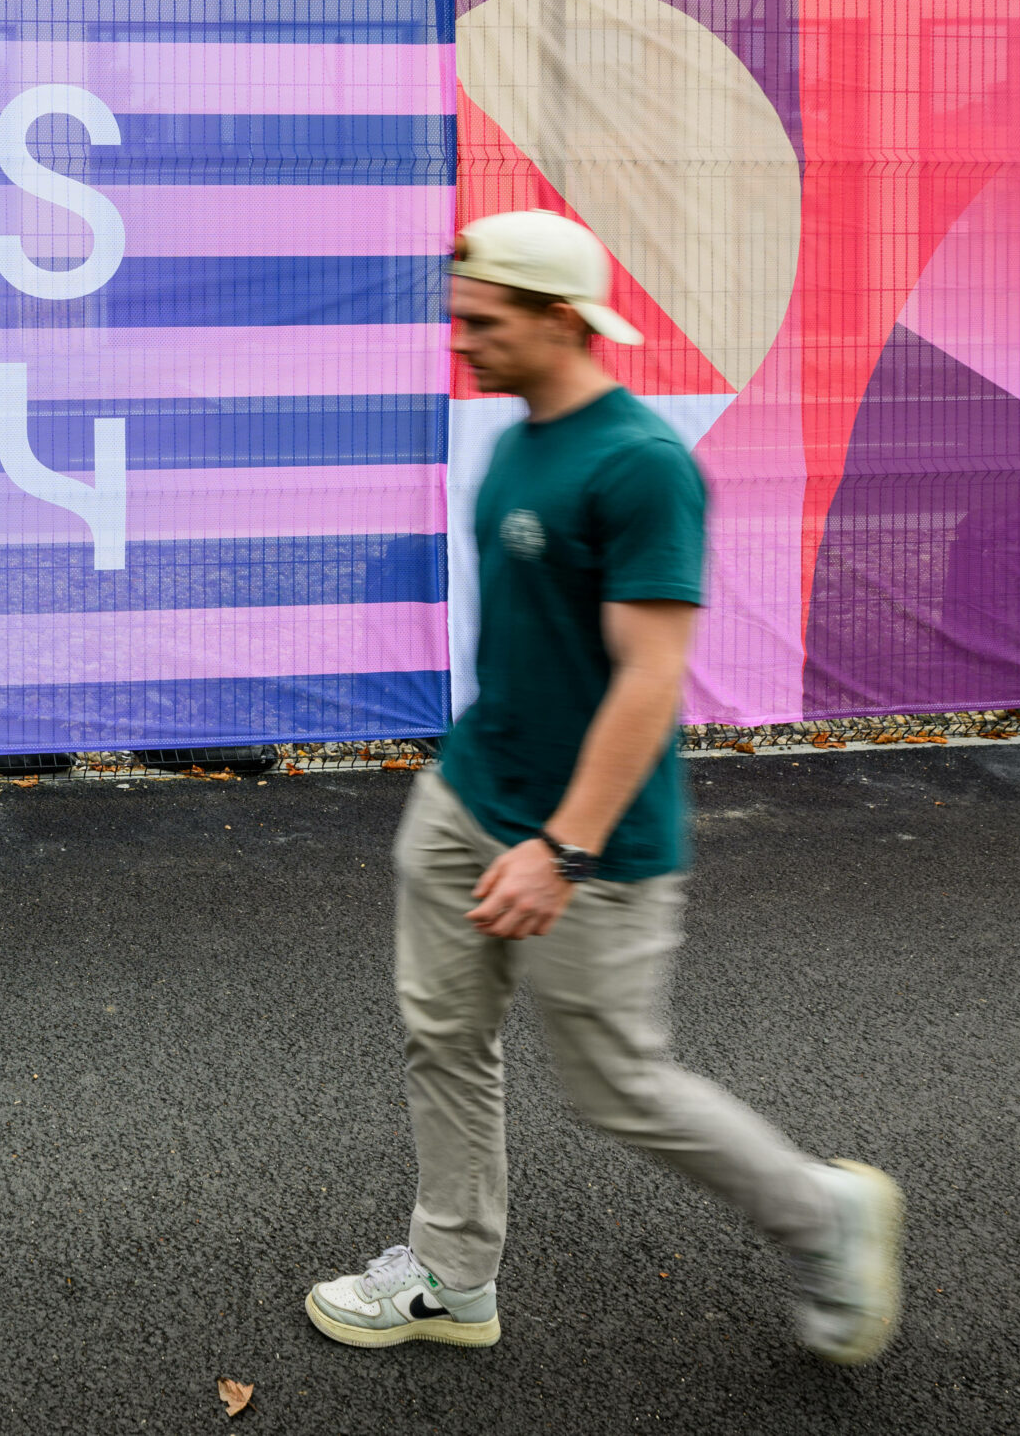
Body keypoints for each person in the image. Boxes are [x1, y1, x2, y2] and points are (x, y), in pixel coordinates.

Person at [303, 211, 904, 1365]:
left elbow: (649, 677)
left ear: (560, 321)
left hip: (589, 852)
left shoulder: (638, 466)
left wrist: (562, 848)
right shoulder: (522, 435)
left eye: (481, 322)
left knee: (619, 1087)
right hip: (470, 797)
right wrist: (469, 794)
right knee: (443, 1037)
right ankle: (450, 1276)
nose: (460, 341)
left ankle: (822, 1214)